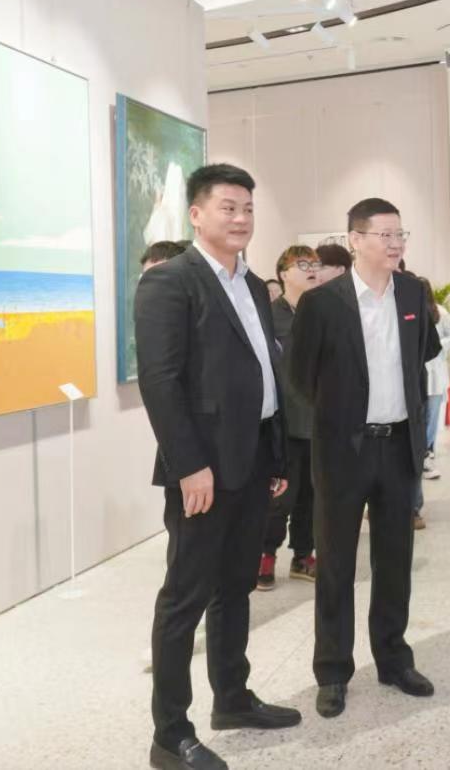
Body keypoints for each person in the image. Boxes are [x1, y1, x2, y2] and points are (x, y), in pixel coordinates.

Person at [136, 163, 300, 770]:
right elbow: (160, 382)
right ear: (197, 214)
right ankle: (170, 733)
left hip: (252, 459)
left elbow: (263, 372)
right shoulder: (170, 282)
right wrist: (189, 466)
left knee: (235, 587)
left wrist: (274, 454)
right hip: (202, 469)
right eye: (228, 207)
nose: (241, 218)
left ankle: (231, 697)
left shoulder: (252, 284)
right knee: (186, 597)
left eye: (248, 208)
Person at [288, 198, 441, 720]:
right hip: (342, 450)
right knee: (335, 563)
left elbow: (422, 354)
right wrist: (341, 415)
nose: (395, 244)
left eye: (401, 235)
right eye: (385, 235)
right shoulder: (322, 303)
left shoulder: (413, 293)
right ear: (355, 240)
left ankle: (394, 659)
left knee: (395, 560)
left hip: (398, 447)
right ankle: (332, 670)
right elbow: (300, 375)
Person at [257, 245, 323, 591]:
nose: (312, 269)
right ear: (283, 274)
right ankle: (265, 555)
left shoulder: (324, 312)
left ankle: (303, 555)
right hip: (283, 423)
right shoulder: (269, 316)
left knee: (312, 495)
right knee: (279, 496)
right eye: (303, 264)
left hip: (319, 420)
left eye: (315, 264)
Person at [415, 277, 450, 518]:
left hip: (435, 369)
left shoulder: (439, 312)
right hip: (419, 373)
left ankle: (426, 454)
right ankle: (422, 454)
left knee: (431, 418)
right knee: (420, 417)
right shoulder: (409, 310)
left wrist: (438, 344)